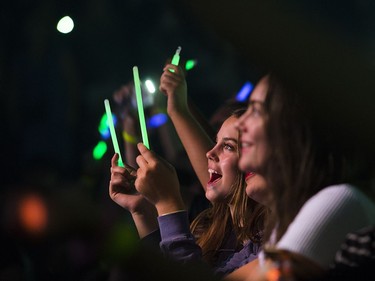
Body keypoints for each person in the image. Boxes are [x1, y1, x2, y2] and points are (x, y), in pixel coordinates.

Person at [109, 64, 268, 275]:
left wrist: (168, 204)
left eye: (228, 146)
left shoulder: (269, 245)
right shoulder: (213, 231)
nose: (209, 152)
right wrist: (140, 210)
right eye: (215, 141)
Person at [222, 73, 375, 281]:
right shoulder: (286, 218)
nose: (241, 125)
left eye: (256, 111)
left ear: (293, 126)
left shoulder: (339, 200)